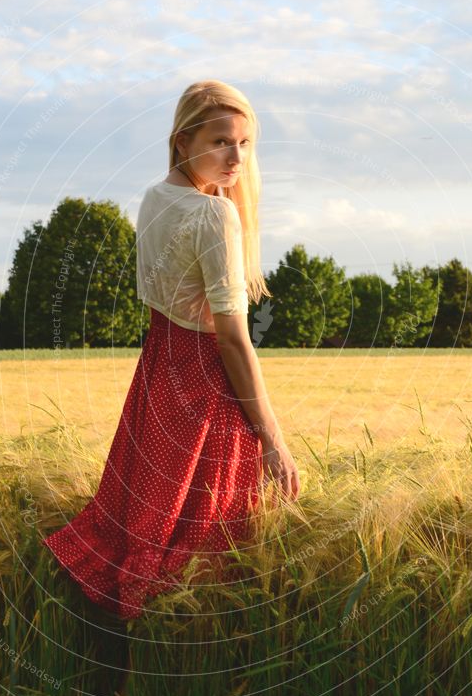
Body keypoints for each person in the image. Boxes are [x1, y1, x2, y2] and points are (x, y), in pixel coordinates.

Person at [42, 79, 300, 627]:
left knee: (147, 542)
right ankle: (187, 688)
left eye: (246, 143)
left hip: (158, 381)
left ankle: (121, 673)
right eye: (221, 141)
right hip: (207, 392)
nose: (236, 157)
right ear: (183, 143)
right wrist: (274, 441)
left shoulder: (154, 198)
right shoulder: (215, 215)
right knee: (205, 570)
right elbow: (231, 337)